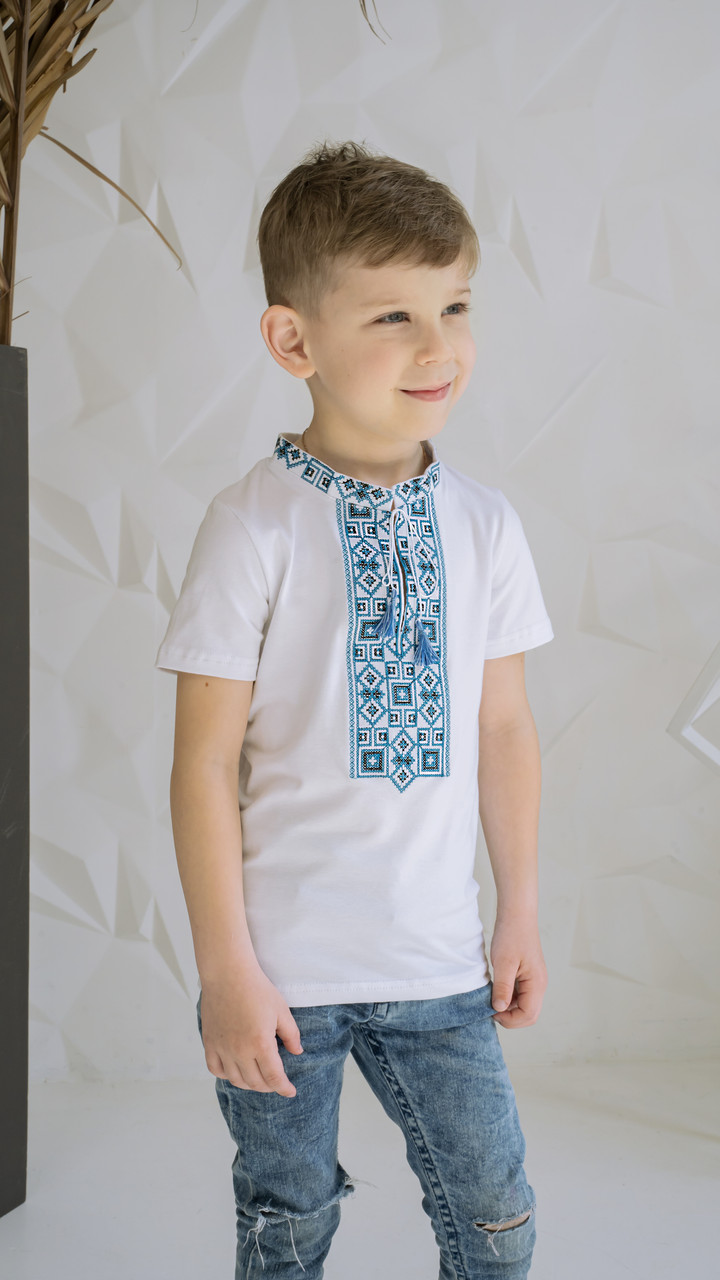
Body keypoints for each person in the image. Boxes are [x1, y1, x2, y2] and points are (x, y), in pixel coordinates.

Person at [156, 139, 554, 1280]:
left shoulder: (487, 524)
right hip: (283, 975)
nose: (439, 347)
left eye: (455, 305)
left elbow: (504, 730)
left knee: (496, 1217)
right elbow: (201, 766)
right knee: (287, 1222)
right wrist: (226, 972)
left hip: (440, 961)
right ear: (295, 341)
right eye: (393, 317)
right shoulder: (252, 526)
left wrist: (519, 909)